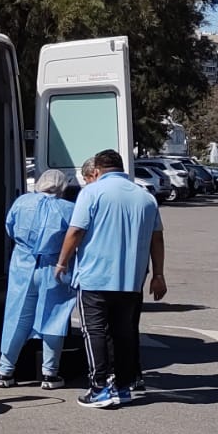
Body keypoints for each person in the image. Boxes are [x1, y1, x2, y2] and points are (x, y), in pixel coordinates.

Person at [54, 150, 166, 409]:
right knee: (123, 333)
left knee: (93, 331)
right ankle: (123, 386)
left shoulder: (92, 193)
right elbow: (157, 238)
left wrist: (62, 262)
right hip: (131, 279)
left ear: (97, 171)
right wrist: (158, 274)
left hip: (95, 277)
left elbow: (76, 231)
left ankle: (99, 387)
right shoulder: (145, 197)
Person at [0, 169, 78, 390]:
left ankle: (5, 371)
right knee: (53, 318)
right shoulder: (68, 208)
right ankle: (50, 374)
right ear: (63, 186)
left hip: (22, 264)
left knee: (17, 316)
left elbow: (10, 228)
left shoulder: (22, 202)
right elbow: (76, 236)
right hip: (54, 266)